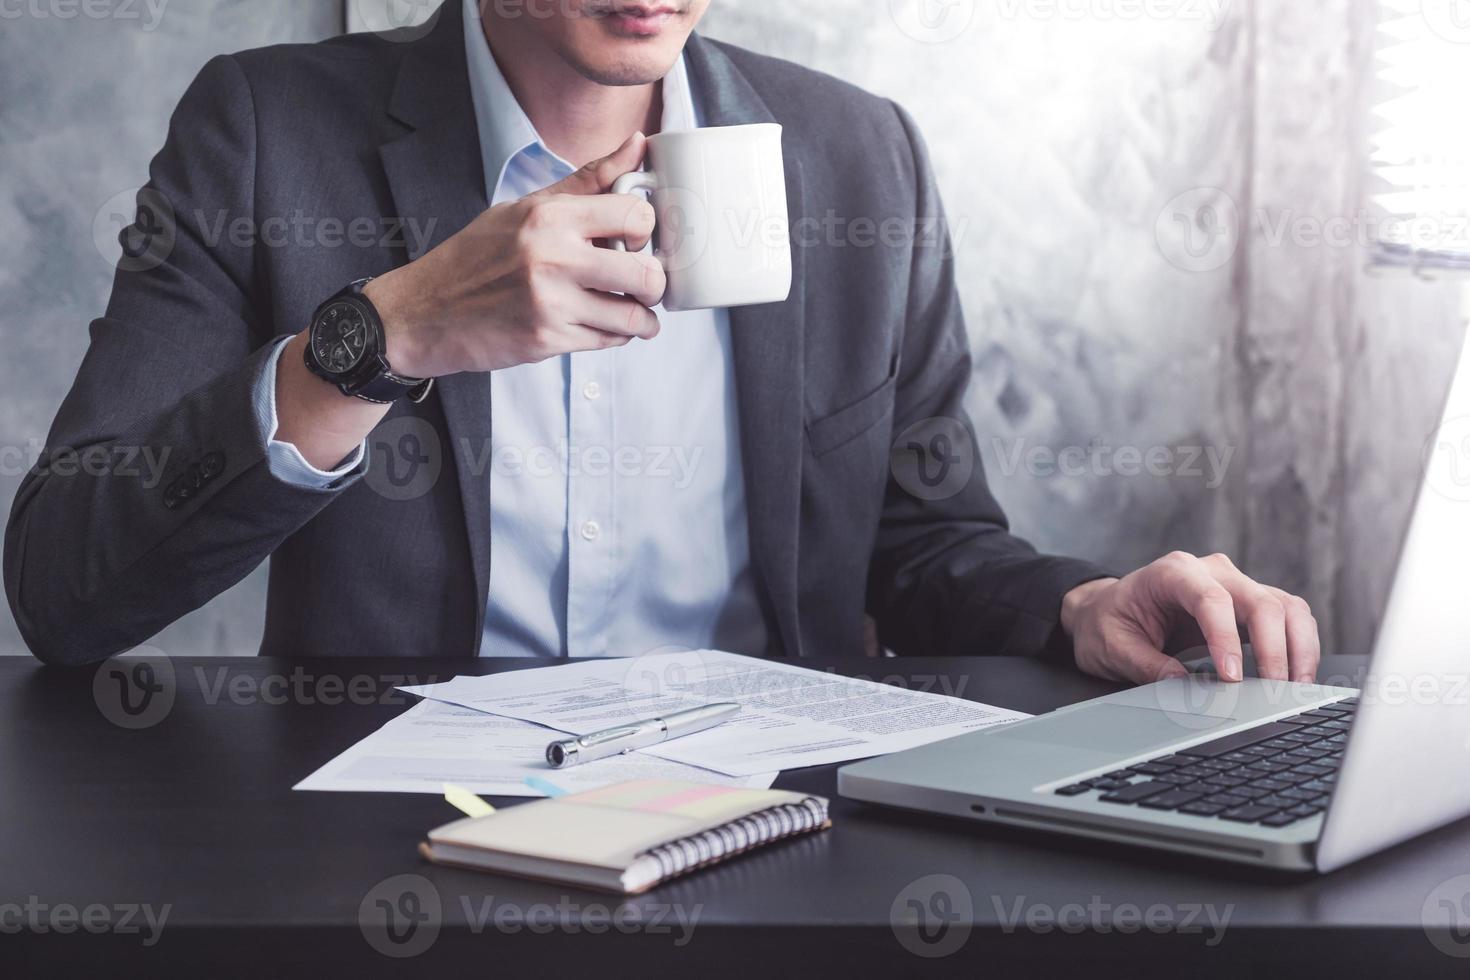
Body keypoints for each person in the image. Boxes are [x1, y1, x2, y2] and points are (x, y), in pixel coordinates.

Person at [3, 0, 1319, 685]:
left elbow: (923, 543)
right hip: (391, 837)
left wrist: (1074, 607)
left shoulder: (858, 154)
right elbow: (67, 588)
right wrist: (386, 334)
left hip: (776, 827)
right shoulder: (263, 129)